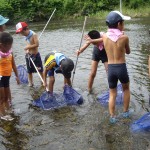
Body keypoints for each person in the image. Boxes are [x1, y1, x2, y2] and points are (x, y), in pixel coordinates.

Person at [102, 10, 131, 123]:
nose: (123, 25)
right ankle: (125, 112)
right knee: (126, 89)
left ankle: (112, 117)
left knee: (112, 93)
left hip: (111, 69)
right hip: (121, 67)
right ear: (119, 24)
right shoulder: (124, 38)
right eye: (123, 23)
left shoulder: (104, 36)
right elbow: (128, 52)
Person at [15, 22, 43, 86]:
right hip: (28, 56)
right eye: (20, 33)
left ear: (26, 29)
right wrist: (27, 49)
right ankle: (31, 83)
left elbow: (37, 44)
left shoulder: (34, 35)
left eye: (22, 32)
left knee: (39, 70)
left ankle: (43, 81)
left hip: (35, 56)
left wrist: (27, 47)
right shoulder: (25, 36)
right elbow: (28, 44)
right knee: (29, 71)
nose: (21, 34)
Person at [0, 32, 20, 121]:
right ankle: (2, 115)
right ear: (1, 45)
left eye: (11, 46)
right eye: (8, 46)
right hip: (0, 78)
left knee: (7, 96)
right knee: (2, 97)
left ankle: (8, 110)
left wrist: (17, 76)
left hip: (7, 78)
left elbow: (14, 65)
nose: (10, 48)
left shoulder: (10, 53)